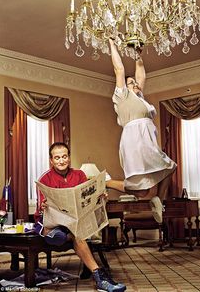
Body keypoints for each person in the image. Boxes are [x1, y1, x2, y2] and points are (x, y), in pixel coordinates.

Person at [34, 142, 126, 292]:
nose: (61, 160)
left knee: (76, 234)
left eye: (64, 156)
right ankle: (100, 277)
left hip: (74, 221)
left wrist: (100, 196)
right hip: (51, 221)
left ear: (69, 158)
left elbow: (87, 199)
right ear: (51, 160)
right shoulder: (44, 179)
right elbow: (40, 209)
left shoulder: (79, 175)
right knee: (62, 232)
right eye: (57, 158)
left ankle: (98, 276)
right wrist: (43, 206)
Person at [106, 39, 177, 223]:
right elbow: (119, 70)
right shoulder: (122, 96)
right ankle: (107, 182)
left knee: (147, 187)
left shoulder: (140, 98)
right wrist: (112, 46)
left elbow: (142, 77)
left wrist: (138, 54)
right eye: (130, 83)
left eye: (134, 83)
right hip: (135, 141)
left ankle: (157, 201)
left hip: (147, 140)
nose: (135, 84)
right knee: (168, 167)